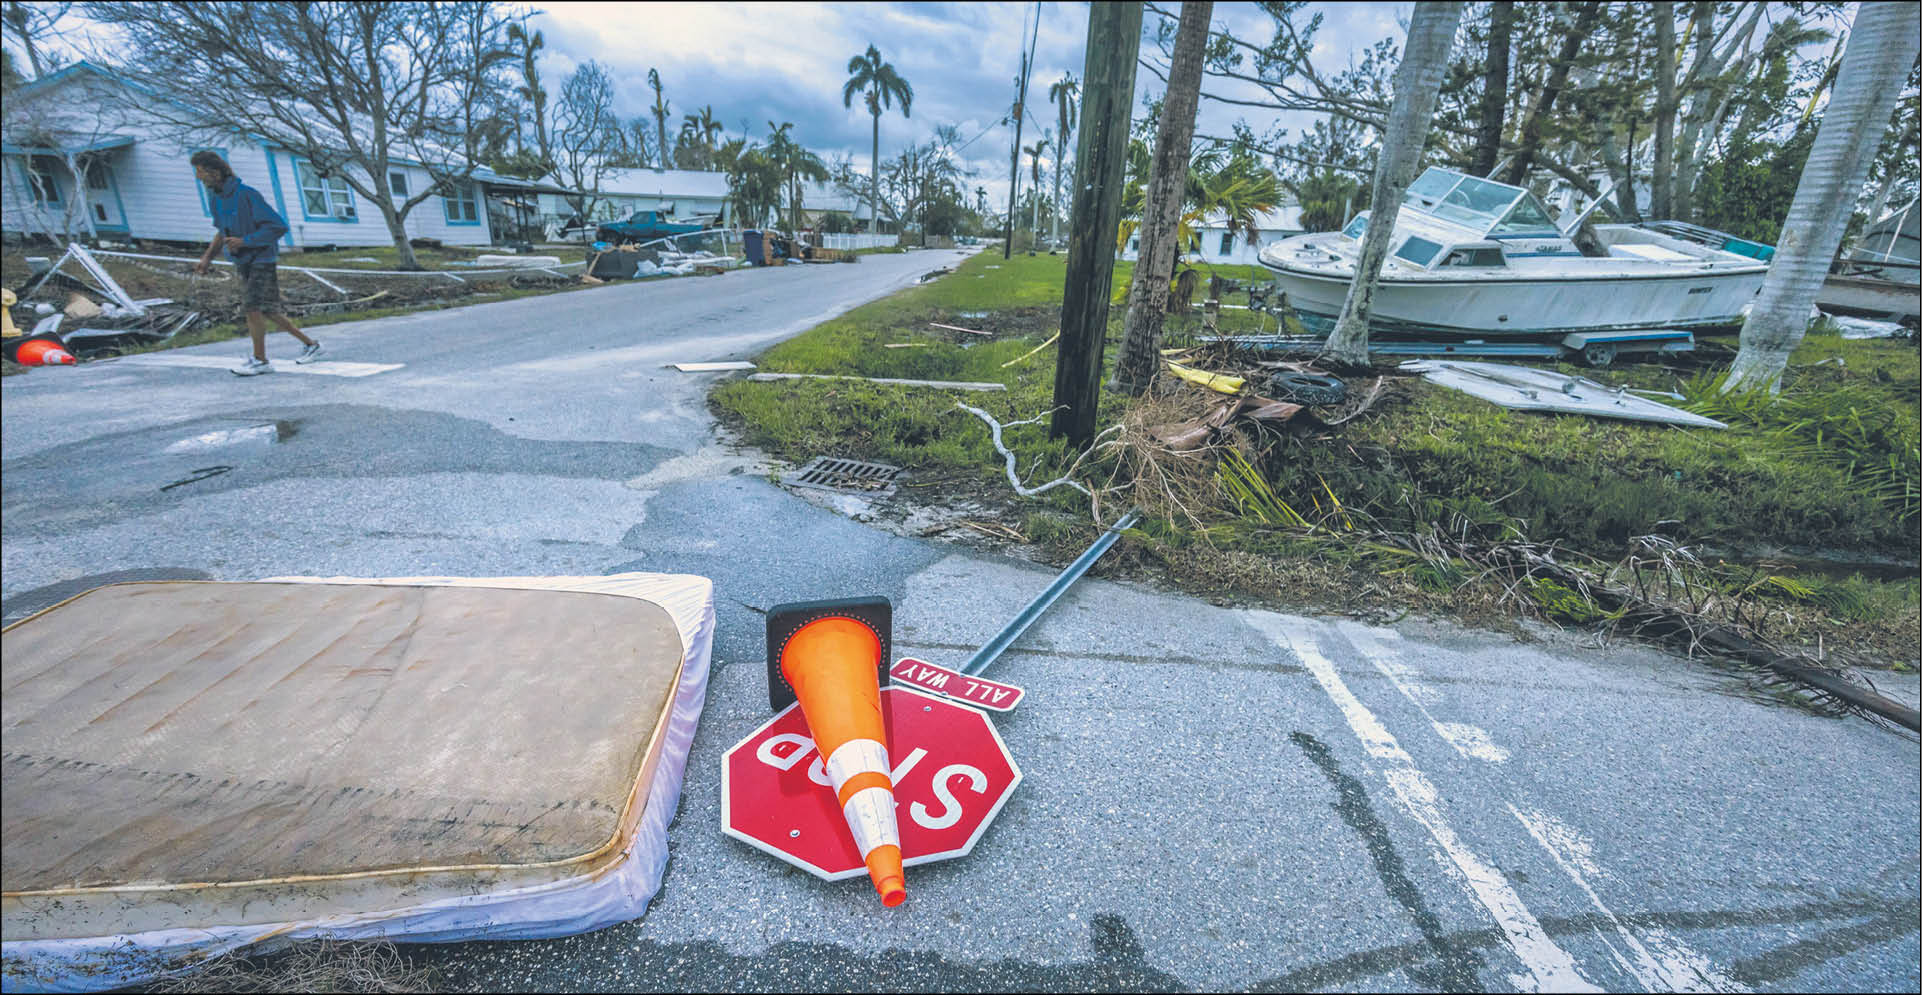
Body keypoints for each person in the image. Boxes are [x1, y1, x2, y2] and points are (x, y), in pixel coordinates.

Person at [190, 150, 323, 375]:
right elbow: (221, 233)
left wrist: (246, 241)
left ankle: (261, 360)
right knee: (268, 309)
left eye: (200, 171)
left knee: (252, 307)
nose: (198, 177)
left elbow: (277, 226)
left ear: (214, 172)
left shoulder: (247, 194)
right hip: (242, 260)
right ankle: (311, 345)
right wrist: (207, 258)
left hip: (262, 258)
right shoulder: (216, 200)